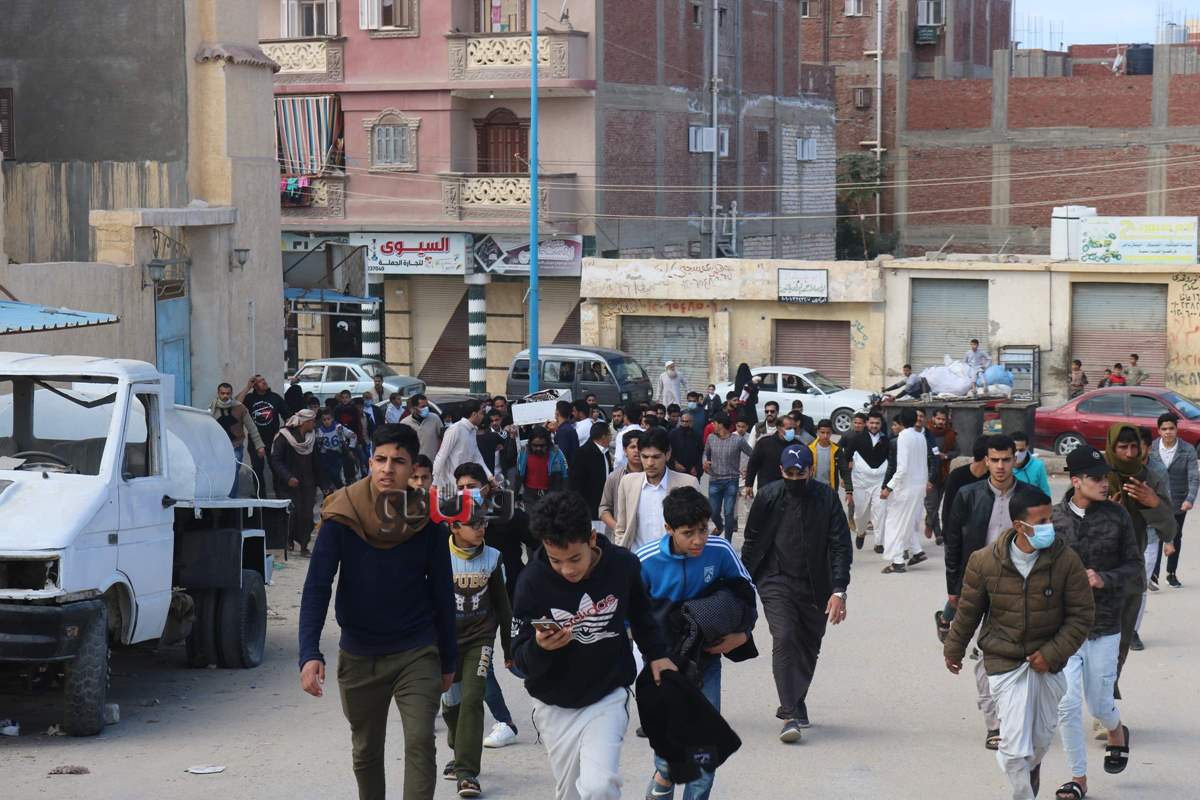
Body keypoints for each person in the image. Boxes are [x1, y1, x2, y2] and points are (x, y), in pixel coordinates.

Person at [299, 424, 457, 800]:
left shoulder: (428, 521)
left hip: (416, 649)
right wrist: (309, 652)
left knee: (420, 740)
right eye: (380, 459)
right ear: (370, 462)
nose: (388, 468)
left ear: (413, 467)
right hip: (359, 654)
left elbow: (442, 593)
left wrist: (449, 658)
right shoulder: (341, 513)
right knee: (366, 750)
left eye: (398, 461)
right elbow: (317, 585)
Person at [511, 491, 675, 800]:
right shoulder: (531, 582)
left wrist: (657, 655)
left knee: (599, 787)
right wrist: (540, 647)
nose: (567, 569)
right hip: (553, 703)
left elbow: (643, 616)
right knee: (570, 793)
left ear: (592, 538)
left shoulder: (623, 565)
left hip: (606, 694)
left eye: (575, 558)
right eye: (556, 561)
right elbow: (518, 656)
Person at [943, 485, 1094, 800]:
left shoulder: (1066, 560)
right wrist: (954, 649)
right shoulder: (984, 561)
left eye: (1050, 519)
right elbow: (969, 611)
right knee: (1013, 751)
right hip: (1004, 661)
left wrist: (1051, 654)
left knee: (1039, 743)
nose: (1049, 527)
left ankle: (1032, 767)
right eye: (1041, 522)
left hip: (1048, 666)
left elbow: (1082, 616)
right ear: (1019, 526)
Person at [637, 486, 757, 800]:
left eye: (703, 529)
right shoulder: (645, 562)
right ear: (668, 529)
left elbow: (746, 594)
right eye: (688, 533)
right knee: (669, 756)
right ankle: (663, 778)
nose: (699, 540)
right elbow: (627, 618)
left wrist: (743, 635)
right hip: (662, 667)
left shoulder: (720, 550)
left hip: (707, 664)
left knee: (705, 750)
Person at [741, 444, 850, 742]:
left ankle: (797, 699)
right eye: (789, 474)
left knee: (808, 646)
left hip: (816, 583)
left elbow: (840, 545)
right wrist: (741, 583)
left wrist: (839, 590)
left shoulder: (827, 498)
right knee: (785, 636)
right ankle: (789, 713)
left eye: (799, 474)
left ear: (810, 471)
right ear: (781, 471)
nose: (794, 479)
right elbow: (751, 541)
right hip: (774, 578)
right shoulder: (768, 496)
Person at [1051, 444, 1139, 800]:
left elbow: (1134, 567)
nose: (1104, 484)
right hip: (1065, 628)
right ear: (1076, 481)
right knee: (1067, 704)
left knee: (1100, 705)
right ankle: (1078, 778)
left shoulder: (1118, 517)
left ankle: (1116, 728)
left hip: (1105, 626)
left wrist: (1104, 579)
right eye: (1096, 478)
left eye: (1106, 477)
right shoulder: (1053, 520)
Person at [943, 434, 1023, 749]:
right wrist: (953, 589)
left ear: (1015, 460)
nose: (1001, 466)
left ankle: (1015, 716)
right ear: (986, 461)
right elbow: (954, 543)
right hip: (977, 584)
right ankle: (994, 724)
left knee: (1017, 655)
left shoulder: (1030, 496)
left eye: (1006, 460)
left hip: (1019, 585)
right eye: (995, 460)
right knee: (985, 654)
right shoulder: (968, 495)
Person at [452, 464, 528, 755]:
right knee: (467, 675)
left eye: (471, 486)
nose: (466, 492)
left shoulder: (506, 514)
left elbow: (538, 541)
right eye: (460, 488)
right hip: (461, 612)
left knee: (492, 666)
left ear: (486, 487)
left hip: (500, 603)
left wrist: (530, 582)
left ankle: (505, 721)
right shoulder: (451, 519)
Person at [440, 505, 512, 799]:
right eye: (473, 524)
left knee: (472, 698)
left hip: (480, 639)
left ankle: (467, 773)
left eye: (483, 522)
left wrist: (509, 646)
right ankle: (458, 750)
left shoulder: (493, 558)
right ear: (454, 527)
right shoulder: (438, 556)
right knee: (452, 702)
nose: (481, 528)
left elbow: (502, 605)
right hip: (445, 642)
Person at [1104, 423, 1176, 664]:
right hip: (1094, 573)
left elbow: (1169, 529)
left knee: (1116, 657)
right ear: (1112, 447)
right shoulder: (1096, 475)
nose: (1129, 453)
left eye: (1134, 447)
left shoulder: (1149, 478)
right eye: (1123, 447)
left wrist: (1154, 504)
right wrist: (1105, 513)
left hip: (1130, 573)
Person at [613, 428, 701, 552]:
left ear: (668, 454)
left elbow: (697, 527)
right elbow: (621, 527)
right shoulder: (628, 483)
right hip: (637, 558)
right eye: (645, 456)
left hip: (673, 558)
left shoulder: (688, 483)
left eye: (656, 457)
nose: (650, 463)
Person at [1149, 412, 1196, 588]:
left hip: (1178, 502)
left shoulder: (1187, 450)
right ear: (1159, 430)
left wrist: (1189, 499)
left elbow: (1194, 477)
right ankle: (1153, 574)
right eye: (1164, 429)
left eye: (1171, 428)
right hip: (1156, 501)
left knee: (1175, 535)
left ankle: (1171, 573)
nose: (1168, 432)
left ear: (1177, 429)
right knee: (1156, 535)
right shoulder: (1151, 448)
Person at [880, 408, 928, 573]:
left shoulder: (903, 436)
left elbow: (902, 468)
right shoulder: (921, 436)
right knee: (907, 522)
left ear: (901, 422)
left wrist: (889, 487)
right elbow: (924, 464)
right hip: (919, 487)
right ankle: (917, 551)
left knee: (895, 524)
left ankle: (898, 561)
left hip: (906, 488)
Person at [271, 409, 319, 556]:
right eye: (312, 421)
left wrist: (325, 484)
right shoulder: (284, 437)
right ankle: (288, 540)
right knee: (292, 514)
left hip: (307, 484)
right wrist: (288, 477)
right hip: (288, 485)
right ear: (304, 422)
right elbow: (276, 460)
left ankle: (304, 546)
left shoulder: (311, 438)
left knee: (307, 516)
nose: (314, 424)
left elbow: (317, 462)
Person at [702, 413, 755, 542]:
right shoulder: (711, 438)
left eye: (714, 423)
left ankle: (728, 541)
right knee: (713, 512)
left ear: (720, 424)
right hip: (715, 480)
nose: (712, 426)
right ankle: (720, 526)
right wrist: (705, 462)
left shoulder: (738, 440)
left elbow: (753, 455)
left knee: (728, 512)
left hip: (731, 480)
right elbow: (705, 454)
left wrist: (748, 469)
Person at [843, 410, 890, 552]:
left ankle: (879, 543)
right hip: (860, 483)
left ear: (881, 424)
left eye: (877, 423)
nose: (874, 426)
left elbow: (892, 462)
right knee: (860, 514)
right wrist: (846, 481)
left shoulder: (886, 441)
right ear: (866, 423)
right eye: (872, 423)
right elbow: (845, 460)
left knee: (880, 512)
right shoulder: (855, 439)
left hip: (879, 482)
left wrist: (889, 484)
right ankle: (861, 532)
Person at [210, 381, 265, 498]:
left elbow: (252, 428)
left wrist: (259, 446)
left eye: (228, 393)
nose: (225, 396)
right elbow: (207, 429)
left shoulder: (240, 408)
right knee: (219, 473)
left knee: (233, 472)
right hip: (218, 448)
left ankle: (231, 499)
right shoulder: (212, 409)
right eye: (222, 393)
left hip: (235, 446)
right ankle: (220, 498)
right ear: (218, 393)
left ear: (231, 393)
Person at [238, 374, 289, 498]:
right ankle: (260, 497)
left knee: (276, 468)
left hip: (273, 440)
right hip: (256, 440)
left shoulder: (275, 398)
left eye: (264, 380)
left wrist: (284, 433)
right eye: (260, 381)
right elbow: (236, 404)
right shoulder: (250, 398)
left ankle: (280, 495)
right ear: (254, 385)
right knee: (257, 469)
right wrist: (247, 387)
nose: (264, 382)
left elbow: (287, 416)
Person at [433, 401, 492, 490]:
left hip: (465, 483)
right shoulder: (455, 429)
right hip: (449, 484)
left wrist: (490, 477)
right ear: (474, 414)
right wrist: (434, 483)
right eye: (482, 413)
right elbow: (441, 456)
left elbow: (477, 457)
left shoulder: (472, 431)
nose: (483, 416)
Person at [924, 408, 959, 543]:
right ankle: (937, 533)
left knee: (937, 504)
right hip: (928, 473)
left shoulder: (950, 434)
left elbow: (957, 451)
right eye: (938, 419)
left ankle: (929, 523)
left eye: (943, 419)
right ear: (933, 418)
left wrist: (946, 456)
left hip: (943, 473)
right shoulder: (926, 433)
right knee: (931, 505)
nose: (941, 422)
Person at [744, 413, 798, 498]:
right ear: (779, 428)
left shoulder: (798, 445)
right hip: (767, 489)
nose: (792, 431)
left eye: (794, 428)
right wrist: (749, 484)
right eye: (789, 428)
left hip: (788, 490)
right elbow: (753, 464)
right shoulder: (764, 443)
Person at [600, 430, 643, 533]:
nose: (637, 451)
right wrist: (618, 528)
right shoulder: (614, 477)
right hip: (620, 536)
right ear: (625, 450)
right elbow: (604, 509)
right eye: (632, 447)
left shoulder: (652, 477)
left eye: (640, 447)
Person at [569, 422, 613, 524]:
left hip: (604, 505)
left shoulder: (605, 452)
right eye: (610, 435)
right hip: (589, 508)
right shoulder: (582, 453)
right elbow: (575, 484)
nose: (611, 438)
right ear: (603, 436)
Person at [519, 426, 568, 507]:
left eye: (542, 445)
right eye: (535, 445)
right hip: (530, 495)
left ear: (548, 444)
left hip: (551, 495)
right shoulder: (524, 452)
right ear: (530, 444)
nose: (538, 448)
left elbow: (565, 475)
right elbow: (519, 472)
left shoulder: (557, 453)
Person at [316, 407, 357, 496]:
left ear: (332, 419)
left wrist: (351, 448)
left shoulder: (338, 427)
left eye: (328, 419)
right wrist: (320, 444)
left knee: (336, 474)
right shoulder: (319, 431)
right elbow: (318, 445)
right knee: (329, 475)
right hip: (326, 455)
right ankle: (335, 492)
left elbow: (353, 435)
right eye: (324, 420)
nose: (326, 421)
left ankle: (342, 490)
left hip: (338, 453)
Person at [399, 394, 444, 462]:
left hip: (433, 462)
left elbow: (442, 438)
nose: (426, 408)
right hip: (414, 463)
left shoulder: (435, 418)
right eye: (423, 406)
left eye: (427, 406)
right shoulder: (405, 423)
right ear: (414, 408)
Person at [808, 419, 848, 493]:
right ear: (817, 432)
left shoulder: (837, 449)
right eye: (822, 432)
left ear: (831, 433)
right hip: (812, 489)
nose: (825, 436)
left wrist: (849, 489)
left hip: (830, 489)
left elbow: (844, 468)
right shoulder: (809, 448)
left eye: (828, 433)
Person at [1012, 431, 1052, 496]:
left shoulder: (1038, 466)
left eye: (1021, 450)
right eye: (1014, 450)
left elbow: (1045, 492)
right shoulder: (1003, 466)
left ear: (1027, 447)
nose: (1017, 454)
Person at [668, 411, 703, 479]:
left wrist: (696, 467)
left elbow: (701, 453)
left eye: (687, 421)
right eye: (683, 421)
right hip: (676, 470)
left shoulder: (697, 436)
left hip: (692, 472)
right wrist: (674, 463)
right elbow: (668, 451)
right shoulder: (673, 434)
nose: (684, 423)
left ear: (692, 422)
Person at [553, 400, 580, 467]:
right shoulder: (569, 428)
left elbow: (561, 454)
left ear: (557, 412)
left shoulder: (563, 431)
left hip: (566, 469)